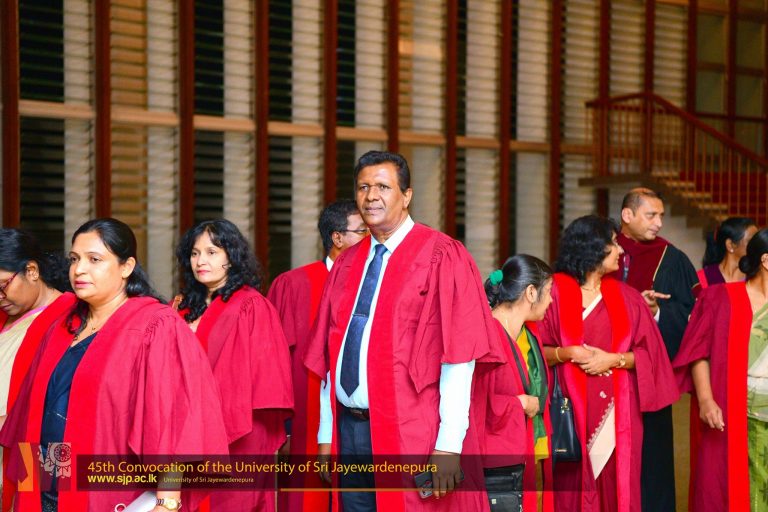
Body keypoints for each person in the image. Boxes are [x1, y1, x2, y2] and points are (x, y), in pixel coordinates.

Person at [304, 150, 498, 511]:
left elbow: (458, 357)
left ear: (406, 196)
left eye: (383, 187)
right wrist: (327, 433)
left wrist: (449, 446)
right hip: (350, 430)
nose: (370, 196)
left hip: (411, 430)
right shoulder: (348, 262)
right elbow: (332, 356)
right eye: (363, 187)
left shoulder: (442, 256)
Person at [0, 218, 229, 512]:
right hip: (48, 484)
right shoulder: (61, 324)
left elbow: (174, 420)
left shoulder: (155, 326)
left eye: (94, 259)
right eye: (75, 259)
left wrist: (167, 502)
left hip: (109, 491)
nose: (79, 269)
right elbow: (37, 414)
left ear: (126, 266)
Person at [538, 215, 678, 512]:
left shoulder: (627, 297)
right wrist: (567, 353)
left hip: (618, 417)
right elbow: (534, 353)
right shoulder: (553, 293)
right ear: (592, 247)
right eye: (614, 243)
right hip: (567, 415)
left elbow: (652, 356)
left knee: (618, 488)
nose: (621, 250)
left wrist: (613, 359)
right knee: (569, 489)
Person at [175, 219, 293, 512]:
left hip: (239, 430)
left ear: (232, 256)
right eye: (194, 253)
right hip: (188, 428)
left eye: (211, 252)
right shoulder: (182, 307)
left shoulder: (251, 306)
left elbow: (267, 379)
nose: (201, 261)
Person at [266, 200, 367, 511]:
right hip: (305, 421)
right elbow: (273, 363)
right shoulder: (294, 285)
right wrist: (282, 428)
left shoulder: (374, 284)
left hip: (362, 421)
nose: (371, 238)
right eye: (362, 231)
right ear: (337, 238)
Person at [612, 188, 697, 512]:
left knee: (652, 460)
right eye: (651, 215)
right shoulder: (603, 250)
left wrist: (657, 312)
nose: (659, 223)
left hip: (649, 376)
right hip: (603, 373)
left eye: (661, 216)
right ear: (627, 215)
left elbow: (691, 315)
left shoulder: (672, 259)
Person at [673, 227, 768, 511]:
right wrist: (705, 400)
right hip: (732, 409)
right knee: (724, 485)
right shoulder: (720, 298)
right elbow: (698, 352)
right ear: (766, 260)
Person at [0, 229, 77, 511]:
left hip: (34, 454)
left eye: (2, 285)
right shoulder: (6, 315)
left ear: (31, 271)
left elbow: (61, 407)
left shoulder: (71, 317)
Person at [474, 255, 554, 512]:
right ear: (531, 292)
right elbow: (474, 404)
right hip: (491, 466)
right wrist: (520, 403)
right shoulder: (488, 335)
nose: (551, 301)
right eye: (549, 292)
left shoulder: (514, 334)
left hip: (507, 460)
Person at [696, 216, 758, 291]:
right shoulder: (704, 278)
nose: (757, 245)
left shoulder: (757, 277)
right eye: (751, 241)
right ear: (730, 245)